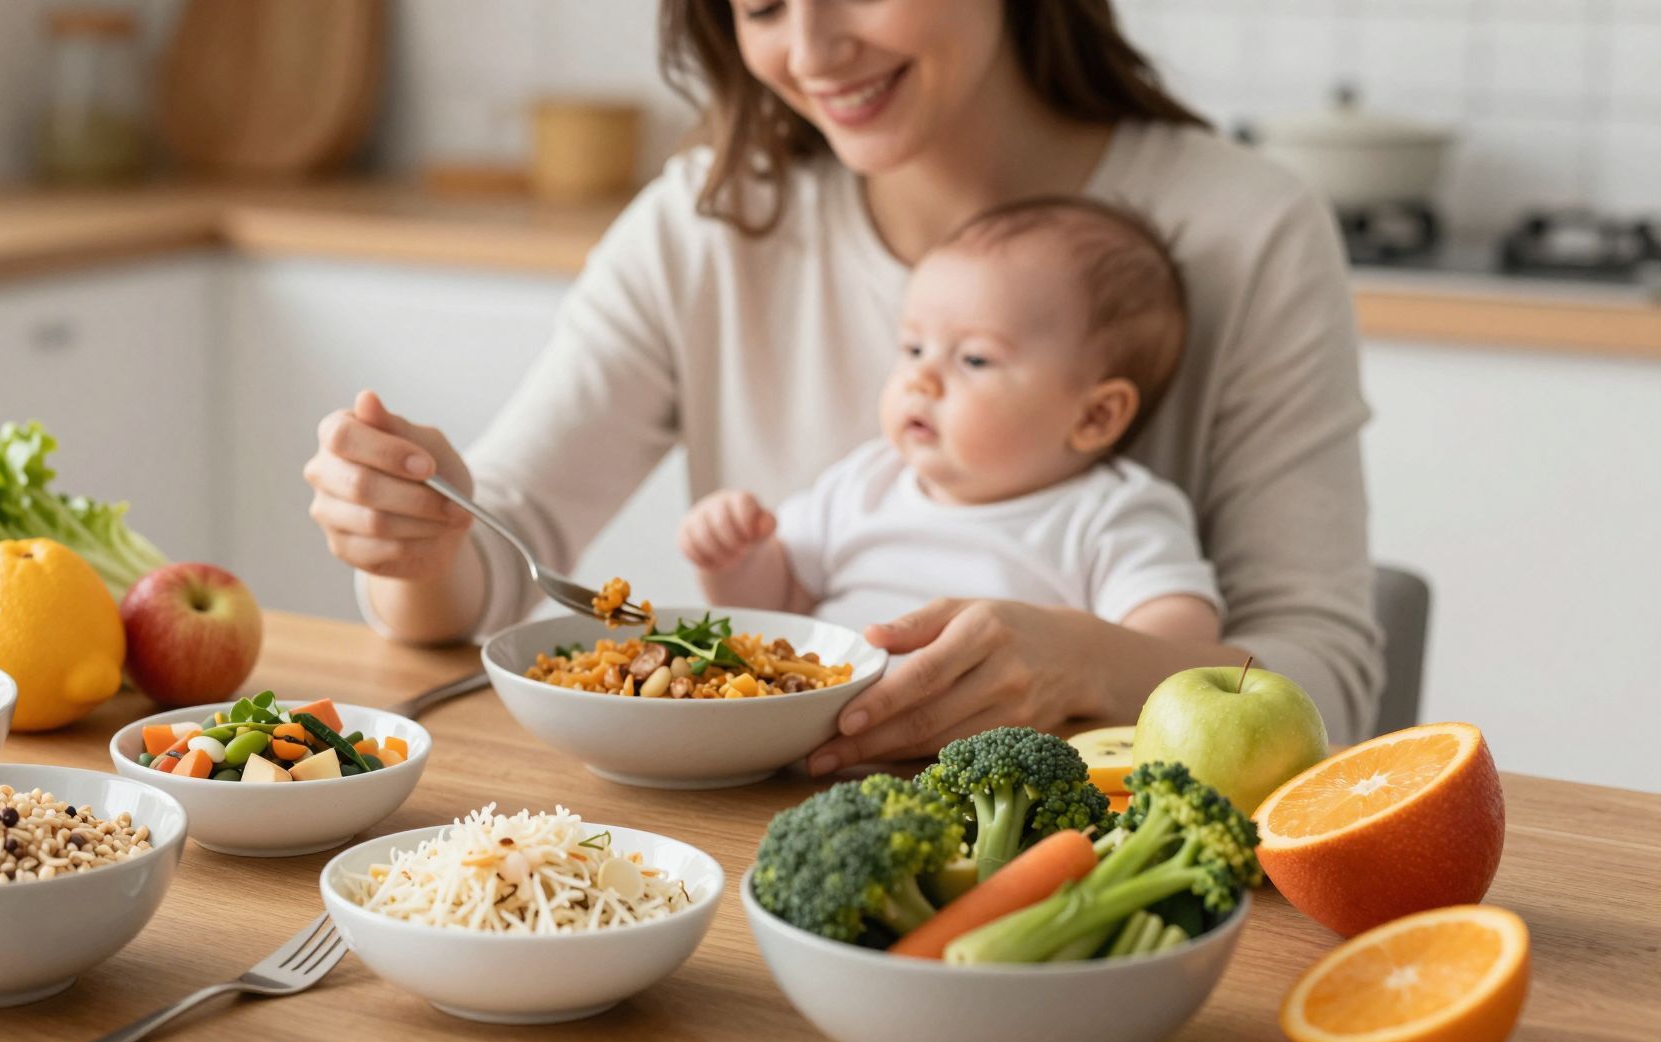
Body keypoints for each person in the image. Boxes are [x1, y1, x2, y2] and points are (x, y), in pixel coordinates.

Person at [303, 0, 1381, 775]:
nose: (812, 52)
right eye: (762, 5)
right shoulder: (705, 223)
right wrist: (417, 535)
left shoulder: (1244, 231)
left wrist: (1086, 662)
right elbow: (495, 565)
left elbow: (1327, 684)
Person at [682, 196, 1222, 652]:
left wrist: (1083, 660)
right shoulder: (863, 483)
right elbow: (778, 605)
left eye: (974, 359)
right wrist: (734, 558)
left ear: (1095, 416)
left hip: (987, 746)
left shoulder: (1109, 515)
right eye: (913, 348)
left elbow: (1177, 643)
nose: (920, 378)